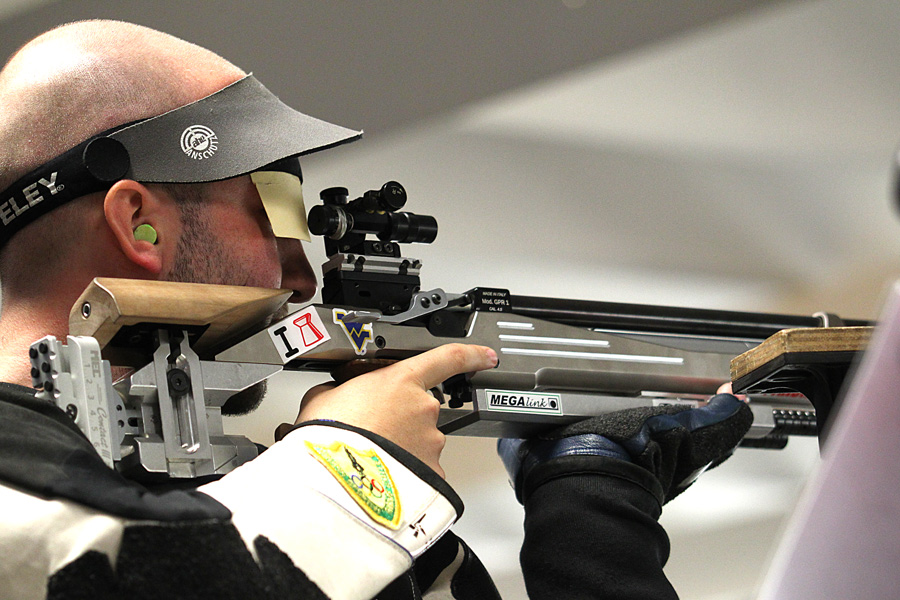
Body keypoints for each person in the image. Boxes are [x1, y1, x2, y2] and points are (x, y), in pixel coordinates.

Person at [0, 20, 751, 600]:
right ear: (141, 226)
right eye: (274, 207)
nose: (302, 271)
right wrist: (355, 461)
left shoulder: (270, 508)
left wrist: (590, 514)